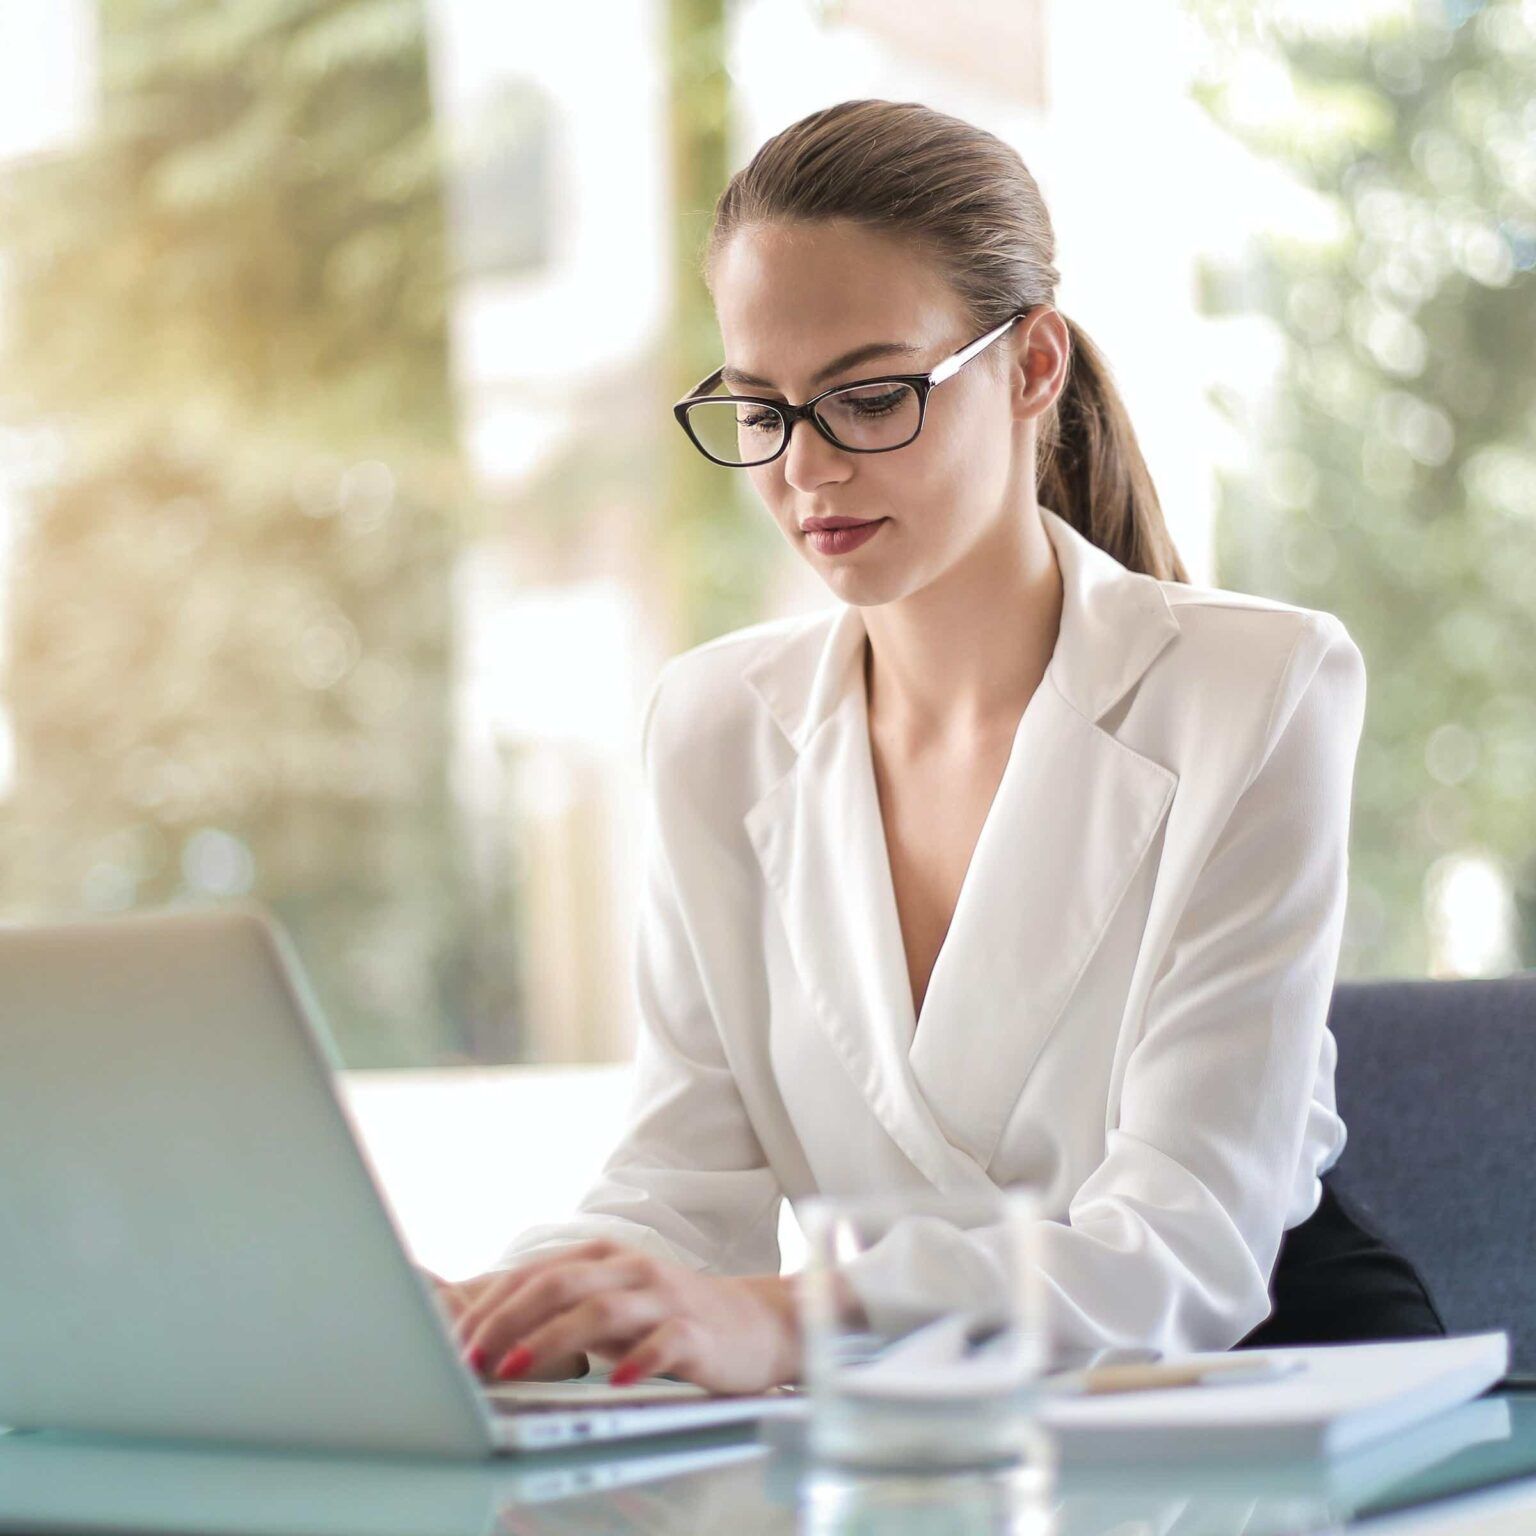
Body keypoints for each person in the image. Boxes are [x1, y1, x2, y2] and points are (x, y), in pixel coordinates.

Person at [430, 98, 1443, 1392]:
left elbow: (1184, 1250)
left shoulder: (1258, 687)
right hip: (923, 1423)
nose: (806, 470)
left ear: (1031, 370)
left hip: (1253, 1389)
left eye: (868, 396)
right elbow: (678, 1189)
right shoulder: (713, 727)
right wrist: (496, 1315)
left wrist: (790, 1324)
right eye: (761, 408)